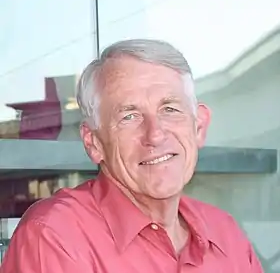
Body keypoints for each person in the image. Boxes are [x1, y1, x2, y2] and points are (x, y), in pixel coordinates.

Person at [1, 39, 263, 273]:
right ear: (94, 143)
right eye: (129, 116)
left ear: (199, 127)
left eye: (170, 109)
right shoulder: (55, 237)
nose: (155, 135)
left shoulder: (226, 233)